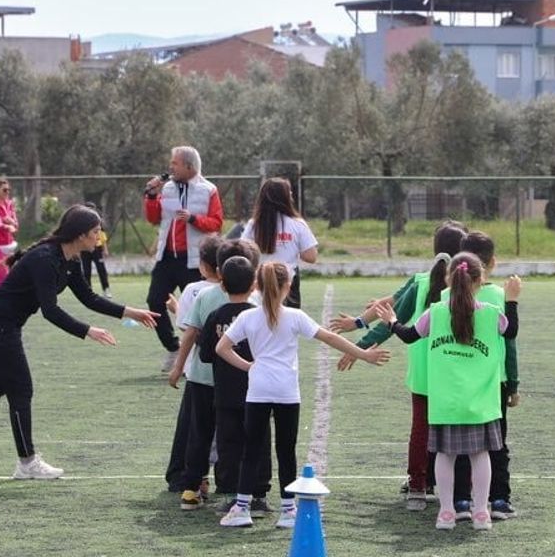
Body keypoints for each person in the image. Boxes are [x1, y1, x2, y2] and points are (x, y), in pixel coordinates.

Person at [0, 204, 159, 479]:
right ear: (80, 234)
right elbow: (50, 310)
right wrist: (87, 330)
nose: (99, 236)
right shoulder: (45, 258)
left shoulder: (72, 260)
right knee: (21, 389)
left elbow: (89, 298)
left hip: (3, 325)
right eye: (95, 231)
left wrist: (130, 312)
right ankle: (27, 463)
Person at [215, 262, 390, 529]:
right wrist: (363, 354)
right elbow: (330, 338)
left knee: (251, 449)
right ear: (287, 287)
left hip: (259, 390)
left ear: (258, 287)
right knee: (286, 450)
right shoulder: (294, 316)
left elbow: (222, 348)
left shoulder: (247, 317)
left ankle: (241, 508)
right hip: (286, 391)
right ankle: (288, 510)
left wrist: (250, 367)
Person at [332, 220, 467, 510]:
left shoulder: (420, 281)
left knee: (421, 428)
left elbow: (390, 319)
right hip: (459, 371)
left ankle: (419, 485)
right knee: (457, 429)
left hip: (424, 371)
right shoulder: (469, 284)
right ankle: (460, 489)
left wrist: (359, 343)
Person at [385, 253, 520, 531]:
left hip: (445, 401)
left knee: (445, 456)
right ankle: (481, 513)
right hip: (480, 401)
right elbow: (511, 331)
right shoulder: (492, 313)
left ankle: (446, 513)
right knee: (480, 456)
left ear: (449, 280)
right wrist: (512, 300)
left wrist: (391, 321)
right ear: (480, 280)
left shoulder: (435, 312)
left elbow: (409, 335)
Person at [197, 249, 273, 518]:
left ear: (222, 283)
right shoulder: (261, 315)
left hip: (226, 395)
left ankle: (232, 496)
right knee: (260, 442)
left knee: (229, 445)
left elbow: (206, 354)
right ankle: (259, 497)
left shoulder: (216, 316)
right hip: (260, 393)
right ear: (254, 284)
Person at [451, 231, 519, 521]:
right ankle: (499, 500)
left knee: (460, 444)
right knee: (496, 443)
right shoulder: (501, 297)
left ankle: (462, 501)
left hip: (457, 381)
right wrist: (513, 384)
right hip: (495, 382)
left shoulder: (447, 296)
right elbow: (510, 344)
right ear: (492, 262)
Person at [144, 146, 225, 371]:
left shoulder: (208, 190)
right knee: (154, 301)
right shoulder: (167, 188)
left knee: (198, 308)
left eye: (175, 163)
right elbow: (154, 218)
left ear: (189, 166)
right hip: (167, 257)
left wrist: (193, 219)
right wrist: (151, 196)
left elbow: (216, 223)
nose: (171, 167)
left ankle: (202, 355)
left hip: (193, 259)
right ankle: (173, 348)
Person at [164, 236, 224, 505]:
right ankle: (224, 478)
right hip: (231, 373)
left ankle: (185, 477)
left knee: (192, 427)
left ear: (203, 265)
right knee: (224, 427)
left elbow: (187, 328)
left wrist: (176, 308)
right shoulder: (239, 289)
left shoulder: (193, 290)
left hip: (197, 370)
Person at [240, 178, 318, 308]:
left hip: (261, 281)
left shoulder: (254, 225)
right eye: (290, 194)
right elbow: (311, 256)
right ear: (285, 198)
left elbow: (243, 251)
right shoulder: (297, 224)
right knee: (288, 321)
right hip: (287, 282)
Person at [80, 202, 112, 297]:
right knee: (86, 270)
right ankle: (88, 291)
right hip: (85, 248)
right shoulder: (80, 222)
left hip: (97, 248)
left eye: (92, 209)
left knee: (101, 269)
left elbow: (102, 235)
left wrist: (105, 249)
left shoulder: (98, 221)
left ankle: (106, 289)